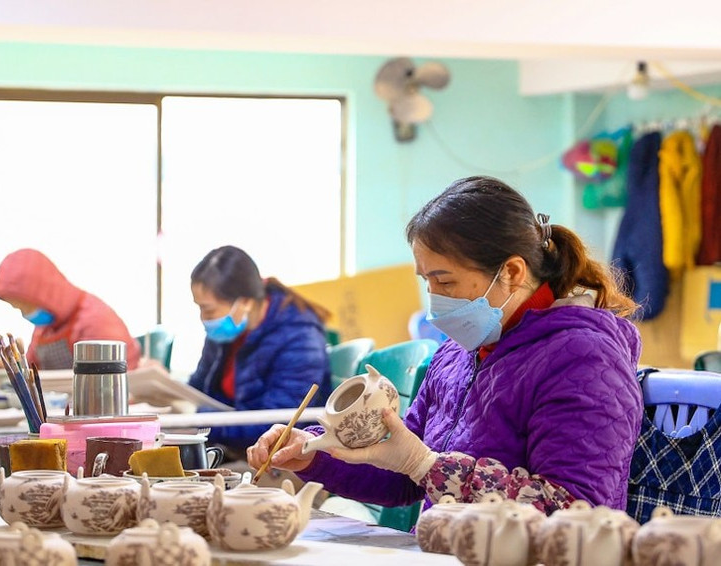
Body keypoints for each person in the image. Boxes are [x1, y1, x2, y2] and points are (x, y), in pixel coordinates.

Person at [248, 176, 643, 516]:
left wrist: (426, 465)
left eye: (446, 282)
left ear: (511, 271)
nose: (435, 299)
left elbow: (577, 511)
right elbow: (403, 476)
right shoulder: (458, 352)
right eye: (427, 281)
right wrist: (316, 452)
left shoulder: (584, 359)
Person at [188, 245, 332, 458]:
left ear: (244, 302)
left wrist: (199, 418)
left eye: (208, 309)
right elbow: (198, 388)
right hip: (232, 447)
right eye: (199, 307)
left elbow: (277, 424)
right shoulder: (224, 335)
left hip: (281, 457)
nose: (203, 318)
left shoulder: (299, 337)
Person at [0, 248, 141, 370]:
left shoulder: (96, 320)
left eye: (28, 306)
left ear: (46, 295)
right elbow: (31, 368)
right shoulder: (45, 328)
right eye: (19, 308)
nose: (26, 314)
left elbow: (110, 380)